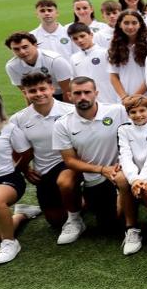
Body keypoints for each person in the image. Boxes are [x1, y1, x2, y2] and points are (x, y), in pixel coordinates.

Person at [52, 77, 128, 244]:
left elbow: (133, 138)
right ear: (69, 96)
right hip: (95, 176)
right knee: (110, 226)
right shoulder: (62, 124)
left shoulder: (117, 111)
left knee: (127, 212)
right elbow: (69, 161)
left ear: (96, 93)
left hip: (123, 170)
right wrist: (102, 169)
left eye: (87, 92)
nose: (83, 97)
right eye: (77, 93)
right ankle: (81, 210)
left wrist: (125, 162)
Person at [11, 72, 72, 233]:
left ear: (51, 88)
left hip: (72, 164)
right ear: (25, 93)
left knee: (66, 183)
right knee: (56, 221)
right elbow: (19, 150)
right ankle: (26, 212)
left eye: (42, 89)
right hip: (45, 170)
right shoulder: (18, 119)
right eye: (32, 91)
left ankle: (77, 212)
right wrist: (25, 169)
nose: (38, 94)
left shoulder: (70, 111)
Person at [0, 85, 32, 265]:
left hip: (5, 180)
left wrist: (19, 169)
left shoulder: (7, 127)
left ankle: (10, 243)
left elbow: (26, 152)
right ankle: (21, 214)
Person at [114, 94, 147, 254]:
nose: (138, 115)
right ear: (128, 114)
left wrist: (141, 180)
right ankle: (132, 229)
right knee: (121, 179)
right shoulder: (123, 129)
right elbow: (125, 156)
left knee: (145, 189)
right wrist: (134, 179)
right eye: (133, 112)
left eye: (142, 110)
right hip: (135, 176)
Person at [5, 32, 73, 101]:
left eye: (25, 47)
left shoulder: (55, 60)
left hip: (61, 93)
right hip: (38, 94)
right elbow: (27, 93)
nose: (22, 52)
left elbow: (67, 91)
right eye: (16, 49)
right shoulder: (11, 66)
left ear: (35, 45)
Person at [68, 22, 118, 104]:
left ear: (91, 35)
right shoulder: (74, 58)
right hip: (88, 103)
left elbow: (117, 77)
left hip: (110, 101)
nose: (80, 40)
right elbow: (75, 81)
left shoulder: (105, 53)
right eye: (75, 38)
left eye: (82, 36)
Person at [107, 10, 147, 100]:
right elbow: (113, 75)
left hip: (146, 99)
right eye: (126, 23)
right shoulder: (114, 45)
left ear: (140, 24)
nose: (130, 27)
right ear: (120, 24)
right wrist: (124, 97)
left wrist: (134, 97)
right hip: (123, 100)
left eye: (134, 23)